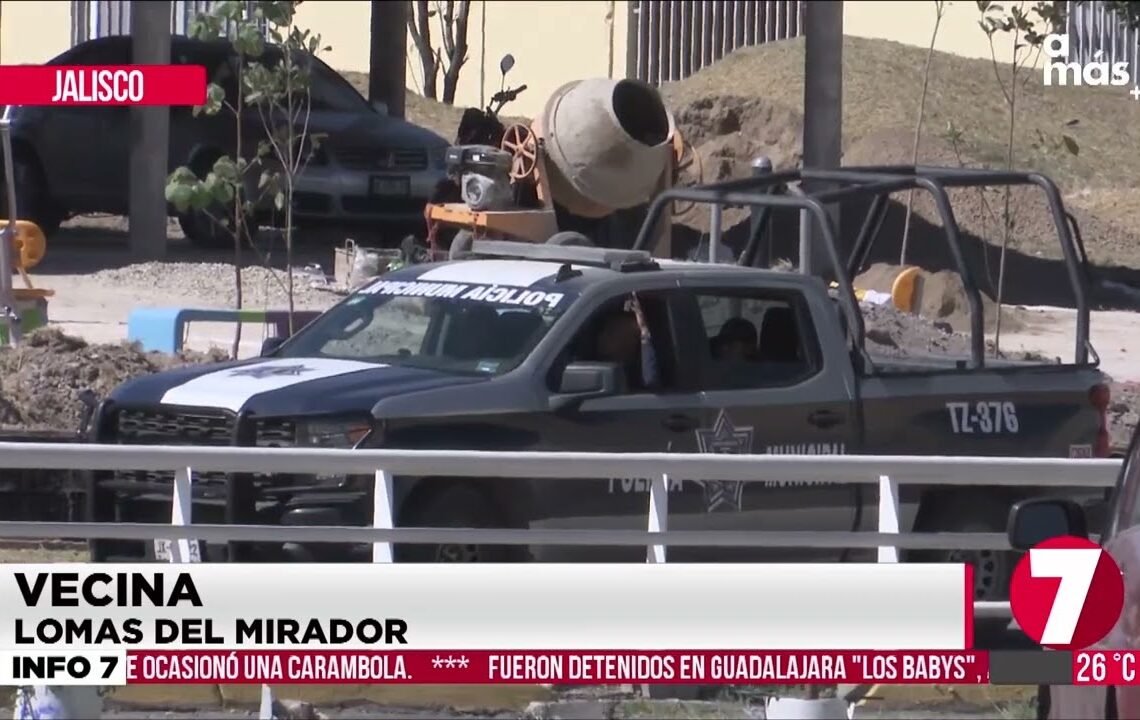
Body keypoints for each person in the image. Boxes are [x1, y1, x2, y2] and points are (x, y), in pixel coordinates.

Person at [595, 294, 659, 390]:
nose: (603, 337)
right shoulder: (597, 368)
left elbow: (650, 382)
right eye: (609, 332)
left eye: (613, 333)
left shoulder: (634, 375)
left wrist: (644, 331)